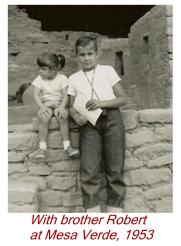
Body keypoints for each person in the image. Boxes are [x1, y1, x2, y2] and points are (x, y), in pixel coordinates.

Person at [68, 36, 127, 213]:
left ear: (97, 54)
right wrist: (76, 116)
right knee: (89, 168)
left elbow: (123, 98)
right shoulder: (73, 78)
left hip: (112, 120)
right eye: (82, 54)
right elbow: (71, 106)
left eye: (90, 54)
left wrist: (101, 103)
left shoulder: (107, 70)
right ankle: (92, 214)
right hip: (88, 125)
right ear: (77, 56)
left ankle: (115, 211)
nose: (86, 58)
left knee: (115, 166)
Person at [32, 52, 79, 159]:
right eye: (39, 68)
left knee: (63, 116)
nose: (40, 71)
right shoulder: (39, 79)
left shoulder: (62, 78)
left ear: (54, 69)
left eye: (43, 69)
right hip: (46, 105)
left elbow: (65, 96)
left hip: (59, 104)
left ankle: (67, 147)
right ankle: (42, 148)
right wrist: (42, 107)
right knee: (43, 118)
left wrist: (62, 107)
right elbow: (36, 95)